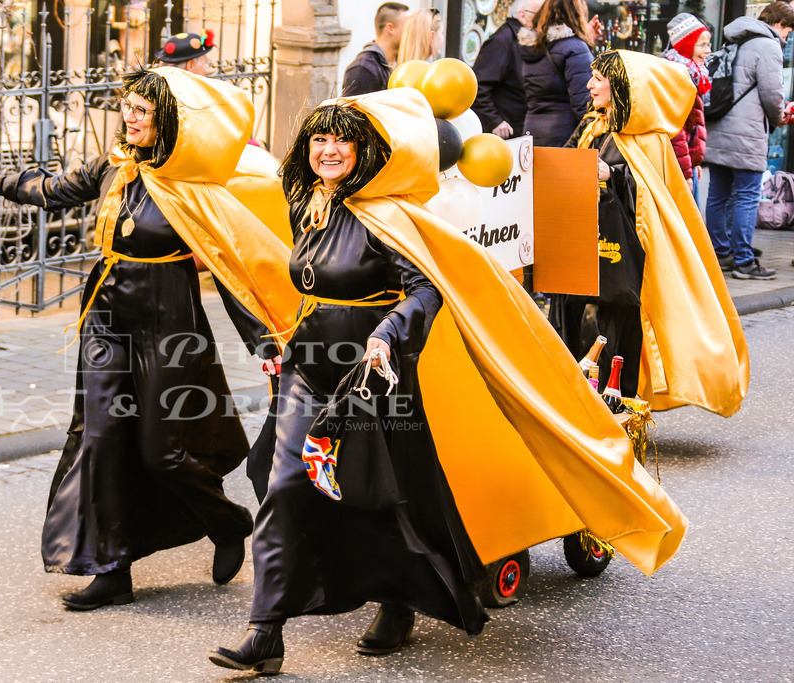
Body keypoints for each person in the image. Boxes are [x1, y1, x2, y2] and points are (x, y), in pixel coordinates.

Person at [210, 87, 688, 675]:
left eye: (341, 141)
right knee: (284, 483)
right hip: (310, 367)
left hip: (376, 375)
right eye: (319, 140)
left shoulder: (390, 217)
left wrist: (386, 335)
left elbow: (427, 288)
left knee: (382, 494)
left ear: (368, 151)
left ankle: (397, 598)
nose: (328, 151)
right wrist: (280, 344)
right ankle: (266, 632)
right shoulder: (310, 203)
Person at [0, 68, 299, 611]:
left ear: (166, 119)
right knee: (100, 437)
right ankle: (111, 569)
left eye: (143, 111)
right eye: (128, 107)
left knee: (160, 451)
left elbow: (236, 265)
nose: (131, 118)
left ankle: (228, 521)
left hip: (167, 323)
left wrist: (268, 343)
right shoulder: (113, 167)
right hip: (104, 316)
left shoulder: (189, 188)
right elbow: (54, 189)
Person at [553, 50, 748, 415]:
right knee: (573, 317)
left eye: (599, 78)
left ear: (622, 85)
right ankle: (573, 403)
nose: (589, 84)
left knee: (609, 326)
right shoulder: (592, 125)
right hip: (578, 247)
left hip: (618, 257)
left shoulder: (649, 140)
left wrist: (612, 177)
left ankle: (612, 406)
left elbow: (651, 199)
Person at [703, 1, 794, 279]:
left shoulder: (735, 38)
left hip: (720, 130)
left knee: (718, 193)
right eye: (789, 32)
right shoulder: (768, 45)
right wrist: (781, 115)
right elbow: (772, 94)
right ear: (779, 24)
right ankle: (744, 259)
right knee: (746, 196)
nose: (787, 38)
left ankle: (721, 253)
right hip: (747, 134)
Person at [518, 0, 594, 147]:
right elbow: (584, 105)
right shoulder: (575, 48)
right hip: (565, 136)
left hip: (532, 132)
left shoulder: (534, 47)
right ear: (577, 14)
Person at [471, 0, 544, 139]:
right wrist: (495, 121)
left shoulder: (523, 41)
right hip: (506, 133)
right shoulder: (502, 41)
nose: (544, 20)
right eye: (540, 14)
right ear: (522, 16)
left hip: (519, 130)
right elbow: (477, 87)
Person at [662, 15, 711, 201]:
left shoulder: (694, 74)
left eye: (708, 44)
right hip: (678, 167)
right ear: (686, 45)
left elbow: (693, 124)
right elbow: (676, 130)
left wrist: (695, 162)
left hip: (686, 163)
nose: (707, 51)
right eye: (701, 45)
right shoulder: (678, 76)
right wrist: (686, 173)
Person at [341, 2, 409, 96]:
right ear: (390, 28)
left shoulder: (401, 63)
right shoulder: (363, 69)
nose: (411, 33)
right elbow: (349, 110)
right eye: (407, 27)